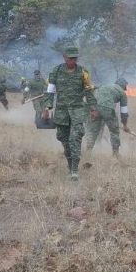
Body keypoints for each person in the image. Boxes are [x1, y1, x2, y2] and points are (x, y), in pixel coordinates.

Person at [42, 46, 97, 181]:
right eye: (70, 58)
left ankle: (74, 171)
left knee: (75, 138)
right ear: (64, 57)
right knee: (64, 139)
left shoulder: (83, 72)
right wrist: (47, 108)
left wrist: (93, 107)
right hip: (61, 111)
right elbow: (50, 91)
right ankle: (70, 165)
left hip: (78, 110)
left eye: (75, 58)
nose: (73, 60)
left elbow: (89, 91)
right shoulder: (56, 71)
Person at [85, 77, 130, 157]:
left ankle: (88, 151)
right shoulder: (122, 93)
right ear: (123, 86)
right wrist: (125, 125)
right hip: (108, 109)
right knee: (114, 132)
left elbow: (92, 92)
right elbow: (124, 112)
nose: (125, 89)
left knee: (93, 131)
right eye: (125, 87)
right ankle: (116, 153)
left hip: (94, 107)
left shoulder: (104, 86)